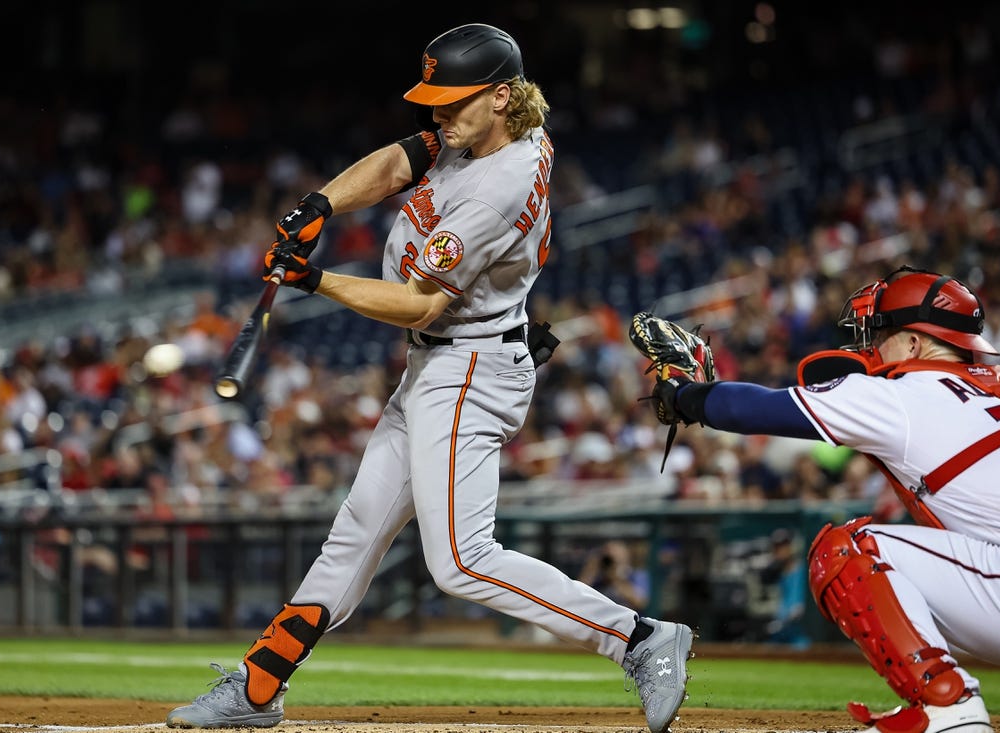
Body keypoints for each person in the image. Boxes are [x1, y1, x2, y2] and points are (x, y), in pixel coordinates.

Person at [165, 22, 693, 733]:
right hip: (443, 362)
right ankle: (259, 685)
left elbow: (419, 301)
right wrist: (322, 204)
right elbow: (401, 159)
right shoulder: (497, 132)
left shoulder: (499, 185)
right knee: (354, 534)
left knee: (461, 561)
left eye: (453, 102)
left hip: (468, 364)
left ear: (502, 95)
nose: (437, 116)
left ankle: (638, 638)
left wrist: (313, 279)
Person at [634, 266, 1000, 733]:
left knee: (849, 551)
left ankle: (947, 705)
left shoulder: (905, 395)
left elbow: (756, 408)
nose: (871, 346)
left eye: (882, 333)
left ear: (913, 344)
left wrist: (684, 394)